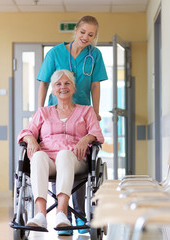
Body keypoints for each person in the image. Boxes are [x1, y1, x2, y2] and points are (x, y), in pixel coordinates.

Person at [36, 15, 108, 235]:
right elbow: (44, 82)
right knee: (55, 153)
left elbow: (95, 85)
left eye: (91, 35)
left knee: (75, 155)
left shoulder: (94, 55)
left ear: (95, 37)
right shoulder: (55, 53)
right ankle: (62, 217)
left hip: (82, 114)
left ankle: (78, 216)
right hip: (56, 111)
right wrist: (40, 111)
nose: (85, 37)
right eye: (83, 32)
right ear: (75, 30)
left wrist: (95, 111)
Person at [17, 70, 104, 232]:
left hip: (75, 159)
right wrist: (31, 140)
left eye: (67, 83)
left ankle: (61, 213)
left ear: (73, 87)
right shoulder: (43, 112)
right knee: (37, 156)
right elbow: (26, 132)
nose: (63, 87)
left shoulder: (86, 111)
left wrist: (86, 139)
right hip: (49, 160)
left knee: (64, 154)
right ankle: (40, 215)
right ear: (53, 89)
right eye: (58, 84)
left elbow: (97, 134)